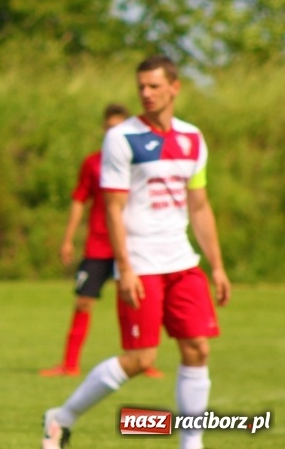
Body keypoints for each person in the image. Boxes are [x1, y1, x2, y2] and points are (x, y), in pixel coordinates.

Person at [42, 55, 231, 449]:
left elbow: (199, 206)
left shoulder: (192, 138)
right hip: (141, 263)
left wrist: (216, 266)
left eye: (154, 86)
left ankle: (190, 444)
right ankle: (62, 417)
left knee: (198, 348)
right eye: (141, 86)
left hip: (182, 262)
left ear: (174, 87)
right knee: (141, 359)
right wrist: (124, 267)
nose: (146, 93)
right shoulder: (121, 138)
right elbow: (113, 208)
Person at [40, 104, 164, 379]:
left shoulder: (141, 163)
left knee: (134, 303)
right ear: (104, 129)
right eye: (109, 128)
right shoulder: (93, 163)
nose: (113, 133)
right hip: (97, 246)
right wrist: (68, 239)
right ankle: (69, 364)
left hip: (130, 246)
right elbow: (79, 201)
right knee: (83, 302)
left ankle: (143, 361)